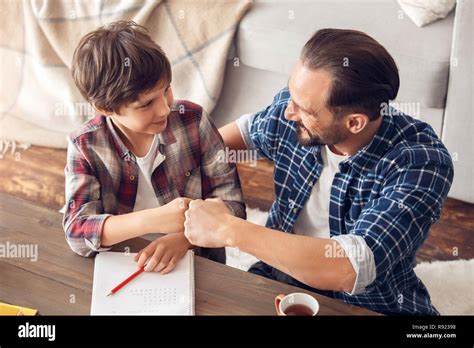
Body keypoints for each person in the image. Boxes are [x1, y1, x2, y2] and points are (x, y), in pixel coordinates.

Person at [184, 29, 453, 315]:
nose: (288, 111)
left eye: (303, 108)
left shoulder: (420, 162)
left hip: (370, 300)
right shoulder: (295, 111)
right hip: (279, 274)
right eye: (291, 95)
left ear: (355, 123)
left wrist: (229, 230)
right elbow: (240, 134)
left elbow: (349, 268)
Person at [63, 21, 245, 274]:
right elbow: (76, 233)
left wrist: (184, 238)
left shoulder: (193, 120)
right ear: (105, 109)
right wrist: (151, 219)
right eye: (146, 104)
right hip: (121, 264)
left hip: (198, 259)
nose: (164, 108)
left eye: (167, 89)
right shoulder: (85, 145)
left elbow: (233, 204)